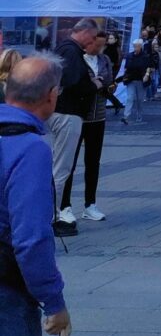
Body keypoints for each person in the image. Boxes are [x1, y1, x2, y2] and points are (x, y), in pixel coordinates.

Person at [0, 54, 72, 336]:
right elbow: (30, 239)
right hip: (6, 290)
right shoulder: (29, 149)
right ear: (51, 95)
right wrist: (53, 301)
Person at [51, 18, 101, 237]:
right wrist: (93, 85)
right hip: (68, 114)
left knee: (59, 166)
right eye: (92, 37)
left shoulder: (64, 48)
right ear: (84, 32)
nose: (92, 42)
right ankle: (53, 215)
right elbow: (72, 81)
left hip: (62, 112)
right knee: (61, 168)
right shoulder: (71, 52)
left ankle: (53, 212)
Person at [60, 31, 114, 222]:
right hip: (78, 116)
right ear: (89, 42)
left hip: (98, 117)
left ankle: (90, 204)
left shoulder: (104, 59)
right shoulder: (77, 58)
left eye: (103, 45)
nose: (99, 48)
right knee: (69, 163)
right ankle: (64, 205)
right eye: (97, 44)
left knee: (93, 162)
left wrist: (98, 83)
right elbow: (78, 84)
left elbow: (108, 79)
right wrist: (95, 83)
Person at [122, 38, 152, 126]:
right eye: (134, 46)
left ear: (141, 46)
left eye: (137, 46)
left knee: (140, 99)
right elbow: (127, 67)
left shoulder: (145, 56)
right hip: (131, 80)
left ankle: (139, 115)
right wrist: (125, 76)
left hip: (141, 80)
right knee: (129, 98)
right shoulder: (129, 56)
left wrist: (146, 74)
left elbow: (149, 66)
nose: (136, 48)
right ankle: (126, 116)